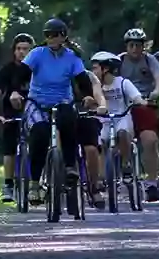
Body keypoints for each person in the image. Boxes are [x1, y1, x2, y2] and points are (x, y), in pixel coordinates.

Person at [20, 18, 104, 205]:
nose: (51, 39)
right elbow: (21, 74)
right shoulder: (37, 54)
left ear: (63, 36)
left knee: (69, 120)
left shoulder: (71, 58)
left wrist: (88, 96)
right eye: (47, 35)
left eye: (54, 35)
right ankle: (35, 184)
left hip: (62, 102)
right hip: (37, 102)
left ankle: (68, 166)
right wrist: (16, 93)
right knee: (40, 133)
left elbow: (83, 80)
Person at [91, 51, 150, 198]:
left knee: (122, 133)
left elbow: (137, 97)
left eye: (96, 68)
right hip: (104, 121)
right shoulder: (94, 86)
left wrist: (140, 102)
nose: (93, 71)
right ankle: (103, 177)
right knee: (101, 143)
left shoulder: (123, 83)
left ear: (106, 69)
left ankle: (126, 165)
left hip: (122, 117)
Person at [119, 28, 159, 202]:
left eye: (138, 45)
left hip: (145, 104)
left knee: (150, 140)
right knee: (119, 135)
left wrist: (156, 92)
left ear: (143, 47)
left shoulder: (150, 60)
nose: (134, 49)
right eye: (131, 45)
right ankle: (124, 167)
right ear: (126, 46)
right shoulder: (119, 61)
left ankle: (152, 183)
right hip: (123, 106)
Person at [0, 34, 35, 203]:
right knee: (9, 148)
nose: (22, 52)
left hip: (35, 112)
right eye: (18, 49)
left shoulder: (37, 68)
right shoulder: (7, 70)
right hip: (12, 114)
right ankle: (8, 184)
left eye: (25, 49)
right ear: (14, 51)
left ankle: (40, 182)